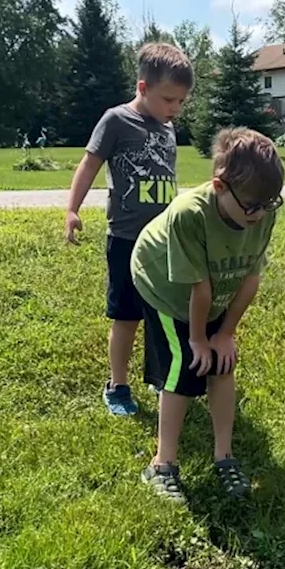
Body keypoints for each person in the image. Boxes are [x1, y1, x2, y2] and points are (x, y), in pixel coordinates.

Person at [130, 128, 285, 504]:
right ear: (219, 186)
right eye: (251, 205)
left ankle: (224, 456)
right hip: (165, 287)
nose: (260, 213)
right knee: (184, 367)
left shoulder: (260, 210)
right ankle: (162, 464)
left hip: (215, 287)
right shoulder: (190, 215)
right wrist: (199, 339)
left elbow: (250, 278)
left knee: (223, 364)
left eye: (269, 203)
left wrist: (225, 334)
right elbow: (198, 289)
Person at [64, 43, 193, 417]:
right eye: (169, 99)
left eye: (181, 102)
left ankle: (159, 378)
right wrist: (72, 209)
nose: (175, 109)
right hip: (126, 239)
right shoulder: (116, 120)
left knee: (161, 312)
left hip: (163, 239)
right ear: (142, 88)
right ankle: (117, 385)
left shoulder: (167, 128)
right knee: (125, 316)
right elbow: (89, 164)